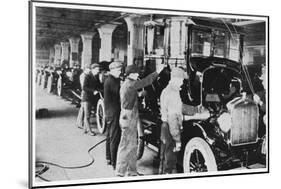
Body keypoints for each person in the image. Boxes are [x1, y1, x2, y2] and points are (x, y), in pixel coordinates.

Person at [115, 63, 165, 177]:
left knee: (133, 145)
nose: (138, 75)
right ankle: (119, 172)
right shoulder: (130, 84)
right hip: (128, 117)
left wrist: (139, 94)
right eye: (136, 73)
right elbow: (146, 81)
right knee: (125, 145)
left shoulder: (128, 83)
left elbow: (132, 94)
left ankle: (132, 171)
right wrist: (158, 71)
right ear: (131, 74)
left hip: (130, 115)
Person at [159, 67, 188, 174]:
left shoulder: (166, 90)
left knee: (164, 155)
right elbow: (173, 119)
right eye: (181, 80)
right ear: (176, 79)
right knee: (170, 158)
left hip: (164, 127)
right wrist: (178, 140)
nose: (182, 82)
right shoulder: (173, 94)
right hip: (171, 129)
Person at [104, 61, 123, 169]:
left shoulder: (110, 80)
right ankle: (115, 163)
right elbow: (119, 93)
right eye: (119, 70)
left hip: (109, 112)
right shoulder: (112, 81)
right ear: (113, 70)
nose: (120, 72)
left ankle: (109, 158)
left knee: (109, 136)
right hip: (114, 112)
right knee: (115, 138)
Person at [80, 63, 101, 136]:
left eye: (99, 69)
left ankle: (85, 129)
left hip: (92, 98)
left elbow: (98, 85)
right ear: (92, 69)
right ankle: (89, 130)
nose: (98, 71)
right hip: (86, 98)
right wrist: (93, 90)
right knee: (87, 115)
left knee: (88, 113)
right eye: (97, 69)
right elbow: (84, 87)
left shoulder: (96, 76)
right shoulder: (88, 76)